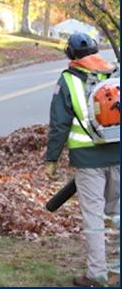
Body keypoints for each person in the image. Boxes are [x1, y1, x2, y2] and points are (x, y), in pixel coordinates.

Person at [45, 33, 120, 287]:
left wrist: (51, 160)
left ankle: (97, 274)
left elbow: (59, 124)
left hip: (87, 162)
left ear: (70, 54)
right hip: (118, 154)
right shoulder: (113, 74)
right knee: (117, 212)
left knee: (94, 217)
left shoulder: (67, 81)